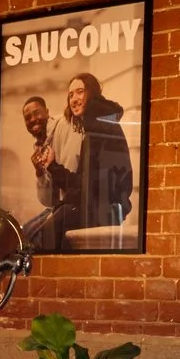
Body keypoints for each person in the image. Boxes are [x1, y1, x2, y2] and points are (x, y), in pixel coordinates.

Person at [65, 73, 135, 242]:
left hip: (99, 218)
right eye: (70, 95)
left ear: (92, 93)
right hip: (98, 215)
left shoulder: (100, 127)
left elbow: (103, 182)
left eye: (79, 91)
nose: (74, 99)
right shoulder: (94, 127)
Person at [19, 94, 80, 249]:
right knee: (22, 234)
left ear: (47, 112)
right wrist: (39, 173)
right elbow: (47, 201)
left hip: (74, 204)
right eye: (27, 118)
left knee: (36, 239)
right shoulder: (39, 146)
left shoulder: (63, 127)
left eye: (36, 113)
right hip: (59, 207)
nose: (32, 119)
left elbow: (71, 175)